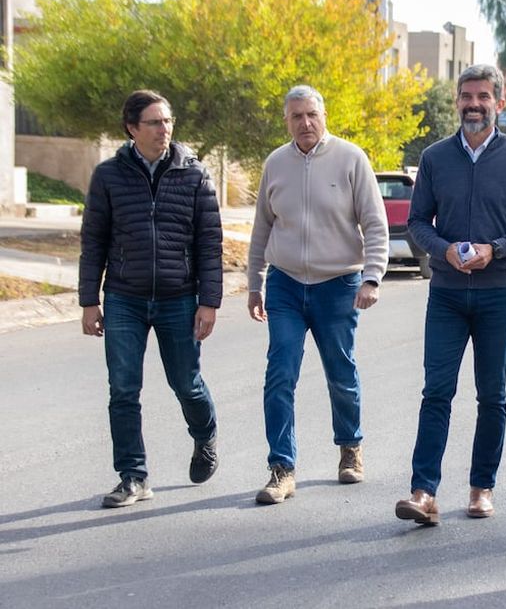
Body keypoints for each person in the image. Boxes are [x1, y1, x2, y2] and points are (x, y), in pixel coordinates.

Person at [394, 64, 506, 525]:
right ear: (457, 101)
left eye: (483, 97)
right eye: (466, 96)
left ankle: (482, 488)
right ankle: (424, 492)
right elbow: (417, 223)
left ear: (499, 103)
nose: (473, 105)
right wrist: (445, 251)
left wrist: (493, 249)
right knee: (436, 391)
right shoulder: (436, 158)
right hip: (446, 294)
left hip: (499, 293)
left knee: (492, 395)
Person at [79, 89, 223, 508]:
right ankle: (133, 476)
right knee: (123, 388)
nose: (165, 129)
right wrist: (90, 300)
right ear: (132, 128)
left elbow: (209, 243)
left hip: (180, 297)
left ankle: (205, 435)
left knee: (187, 384)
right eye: (155, 122)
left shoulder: (194, 174)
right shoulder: (108, 176)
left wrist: (209, 301)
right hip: (124, 297)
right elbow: (94, 241)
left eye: (168, 121)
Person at [247, 85, 388, 505]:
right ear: (286, 121)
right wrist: (255, 283)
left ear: (323, 115)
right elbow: (261, 229)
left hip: (338, 284)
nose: (305, 123)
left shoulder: (351, 158)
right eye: (296, 117)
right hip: (286, 284)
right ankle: (281, 468)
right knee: (280, 373)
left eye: (311, 115)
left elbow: (375, 223)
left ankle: (350, 447)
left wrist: (372, 278)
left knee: (340, 372)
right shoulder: (275, 163)